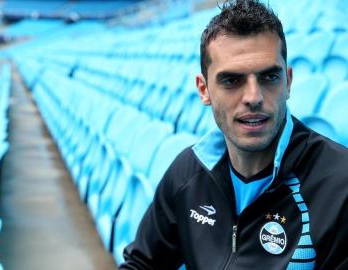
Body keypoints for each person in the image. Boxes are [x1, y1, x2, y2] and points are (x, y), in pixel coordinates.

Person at [119, 0, 348, 269]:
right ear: (204, 90)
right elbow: (142, 263)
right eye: (232, 80)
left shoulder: (339, 186)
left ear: (288, 82)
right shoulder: (187, 174)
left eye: (269, 77)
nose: (253, 97)